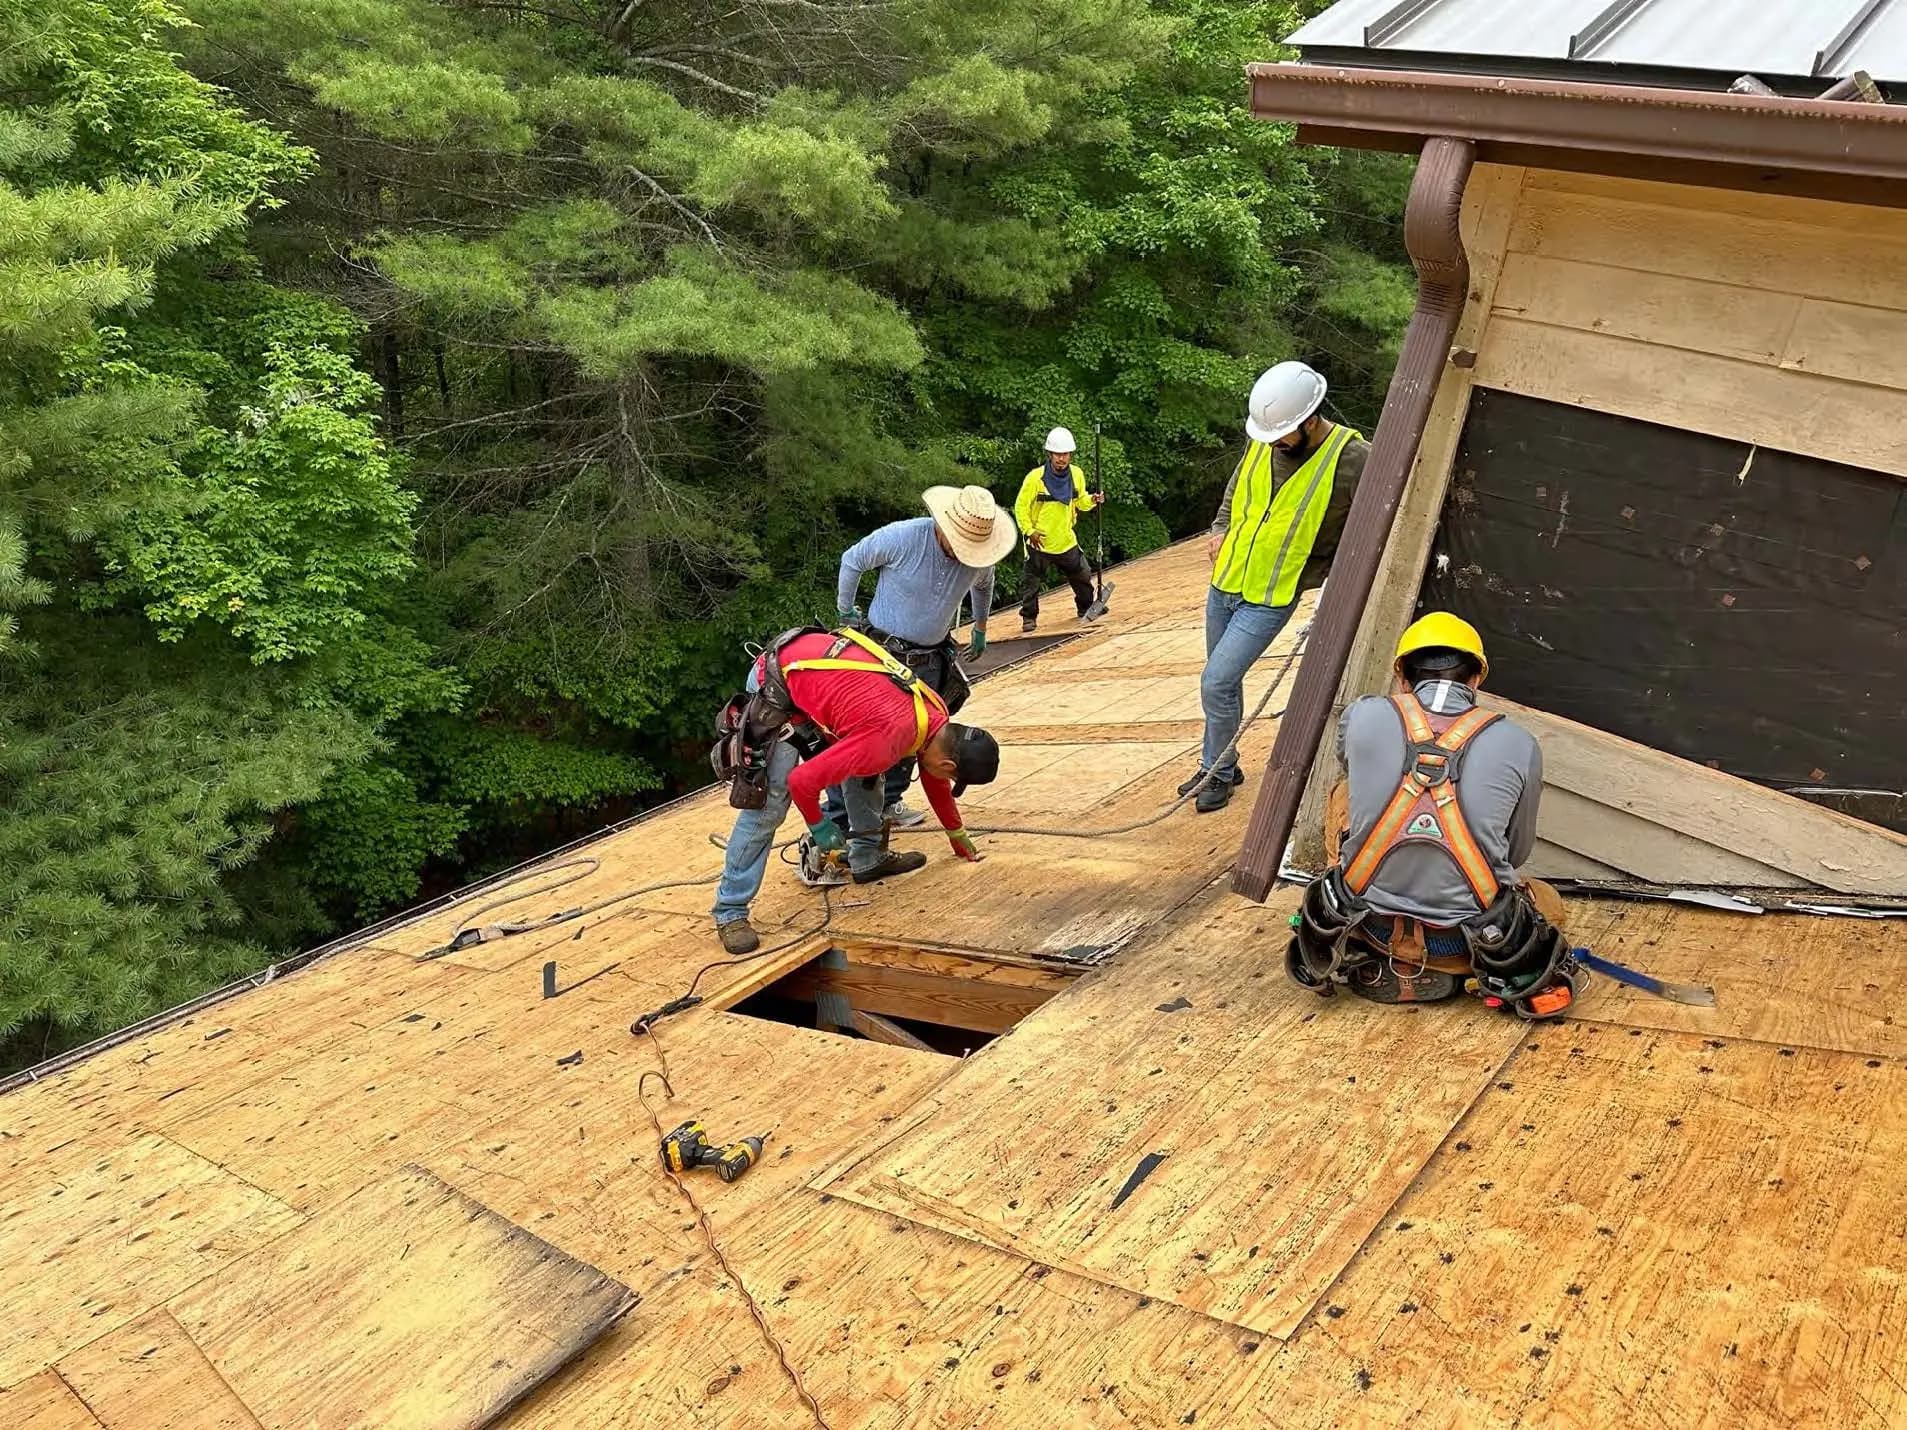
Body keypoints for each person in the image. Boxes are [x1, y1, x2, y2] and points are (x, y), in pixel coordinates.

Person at [1286, 613, 1577, 1020]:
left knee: (1342, 793)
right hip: (1469, 942)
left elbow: (1352, 769)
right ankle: (1450, 970)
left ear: (1403, 677)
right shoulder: (1519, 742)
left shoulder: (1362, 714)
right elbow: (1516, 853)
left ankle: (1388, 961)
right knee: (1547, 902)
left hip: (1368, 924)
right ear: (1476, 679)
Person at [711, 625, 1000, 954]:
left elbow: (934, 773)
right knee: (770, 805)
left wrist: (955, 832)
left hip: (816, 665)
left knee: (867, 768)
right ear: (949, 764)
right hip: (778, 679)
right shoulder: (888, 738)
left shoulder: (935, 713)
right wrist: (819, 826)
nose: (944, 779)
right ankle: (730, 911)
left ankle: (867, 857)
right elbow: (801, 781)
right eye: (952, 777)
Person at [1184, 361, 1368, 813]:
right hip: (1226, 582)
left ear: (1310, 420)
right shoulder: (1265, 437)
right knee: (1223, 684)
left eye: (1283, 436)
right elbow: (1235, 491)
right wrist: (1220, 528)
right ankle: (1223, 762)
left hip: (1271, 595)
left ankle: (1215, 771)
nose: (1273, 444)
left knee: (1216, 682)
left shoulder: (1353, 458)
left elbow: (1372, 524)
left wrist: (1332, 577)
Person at [828, 484, 1015, 829]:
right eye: (959, 544)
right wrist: (845, 611)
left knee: (916, 740)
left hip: (929, 661)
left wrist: (981, 626)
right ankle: (838, 818)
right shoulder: (903, 538)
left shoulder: (980, 558)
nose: (963, 555)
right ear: (943, 525)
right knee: (864, 737)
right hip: (881, 657)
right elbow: (852, 560)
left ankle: (889, 801)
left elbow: (984, 586)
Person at [1013, 427, 1103, 633]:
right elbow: (1020, 507)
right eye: (1057, 454)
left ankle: (1086, 607)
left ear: (1070, 455)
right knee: (1031, 581)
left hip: (1065, 539)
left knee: (1082, 574)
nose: (1061, 458)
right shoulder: (1035, 478)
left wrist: (1093, 500)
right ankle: (1029, 618)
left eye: (1065, 454)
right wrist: (1029, 531)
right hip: (1039, 540)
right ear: (1050, 454)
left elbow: (1080, 501)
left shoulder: (1077, 474)